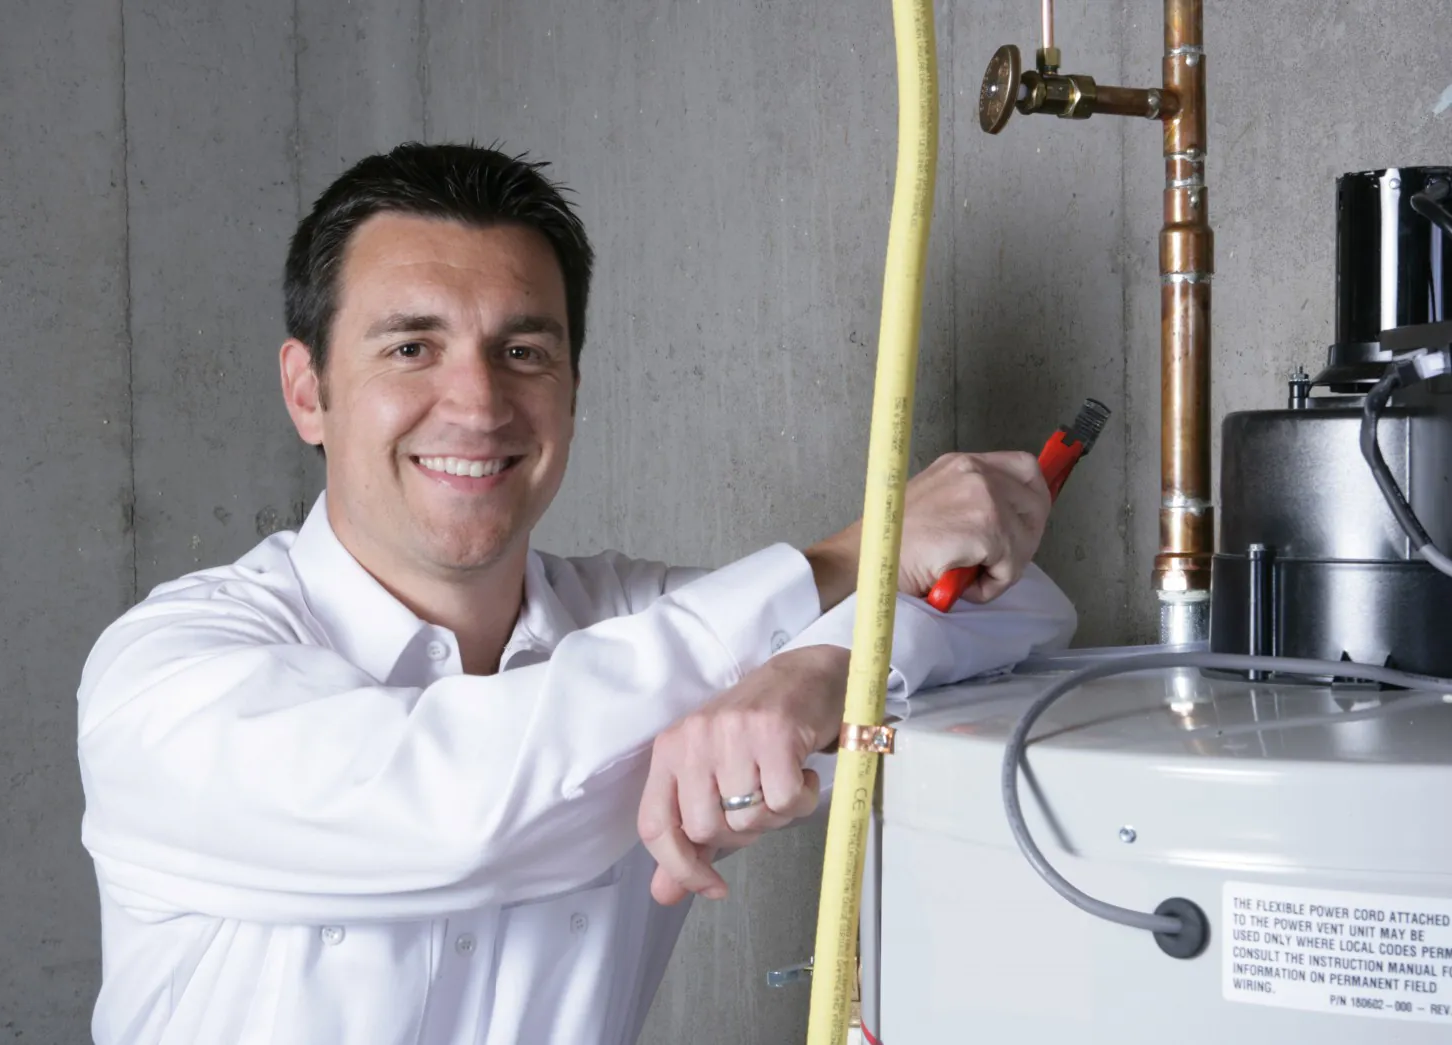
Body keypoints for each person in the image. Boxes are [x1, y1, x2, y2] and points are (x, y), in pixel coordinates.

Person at [76, 141, 1076, 1045]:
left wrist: (824, 668)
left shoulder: (641, 628)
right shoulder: (165, 675)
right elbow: (467, 806)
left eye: (523, 351)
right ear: (308, 392)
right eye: (410, 347)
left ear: (571, 390)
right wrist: (855, 554)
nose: (476, 404)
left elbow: (1025, 609)